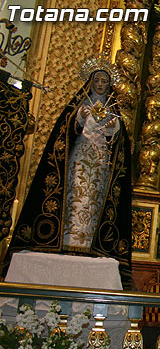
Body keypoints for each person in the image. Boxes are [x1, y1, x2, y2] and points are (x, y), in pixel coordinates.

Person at [3, 59, 132, 282]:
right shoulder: (80, 105)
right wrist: (80, 117)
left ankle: (89, 243)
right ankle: (65, 240)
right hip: (78, 160)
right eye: (97, 80)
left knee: (93, 201)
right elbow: (66, 131)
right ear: (90, 82)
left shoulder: (113, 109)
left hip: (100, 165)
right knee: (73, 196)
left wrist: (114, 129)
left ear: (109, 85)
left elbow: (119, 145)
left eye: (104, 81)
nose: (100, 84)